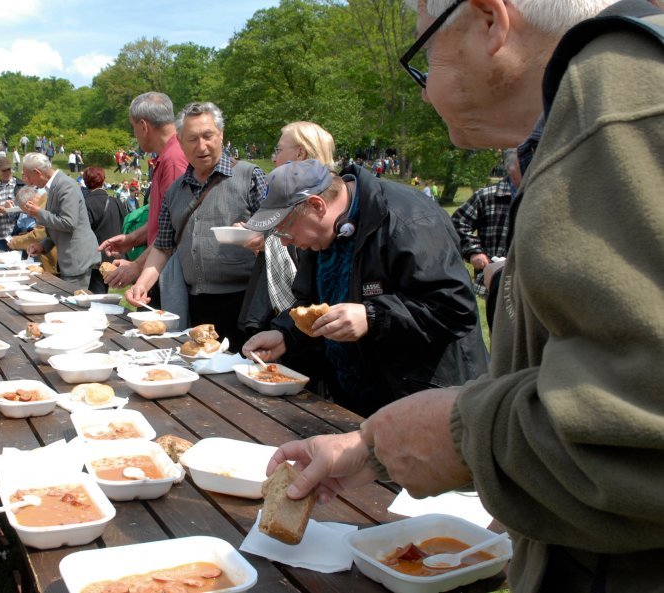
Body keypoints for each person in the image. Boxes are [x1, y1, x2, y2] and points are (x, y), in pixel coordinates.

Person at [269, 2, 664, 592]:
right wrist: (368, 448)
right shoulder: (598, 102)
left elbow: (628, 434)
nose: (425, 94)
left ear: (489, 21)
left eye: (423, 55)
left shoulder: (616, 105)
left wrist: (454, 434)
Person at [241, 159, 488, 416]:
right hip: (357, 402)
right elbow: (312, 303)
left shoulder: (408, 219)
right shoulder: (322, 233)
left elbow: (456, 307)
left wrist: (372, 316)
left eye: (285, 230)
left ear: (317, 205)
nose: (284, 242)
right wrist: (286, 335)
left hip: (423, 402)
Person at [125, 102, 267, 348]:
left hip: (245, 304)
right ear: (180, 141)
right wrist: (141, 284)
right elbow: (163, 247)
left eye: (208, 136)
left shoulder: (251, 176)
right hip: (193, 303)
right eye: (192, 139)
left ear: (221, 135)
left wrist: (260, 237)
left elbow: (278, 236)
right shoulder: (175, 190)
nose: (202, 146)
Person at [240, 121, 337, 335]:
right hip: (286, 324)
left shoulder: (323, 205)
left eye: (279, 149)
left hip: (305, 326)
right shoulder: (295, 192)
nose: (274, 157)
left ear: (300, 152)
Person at [99, 93, 191, 296]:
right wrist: (132, 238)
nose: (135, 134)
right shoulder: (168, 156)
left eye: (133, 127)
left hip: (168, 273)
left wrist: (137, 267)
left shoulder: (174, 160)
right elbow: (165, 220)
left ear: (143, 126)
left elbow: (175, 230)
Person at [19, 152, 101, 289]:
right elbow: (57, 224)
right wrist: (43, 245)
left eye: (28, 176)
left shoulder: (65, 185)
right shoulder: (55, 185)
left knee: (73, 305)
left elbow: (69, 223)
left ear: (37, 172)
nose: (28, 181)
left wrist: (39, 213)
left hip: (77, 260)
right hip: (71, 259)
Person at [451, 149, 520, 297]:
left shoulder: (541, 195)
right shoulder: (487, 196)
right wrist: (473, 251)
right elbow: (457, 223)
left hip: (530, 280)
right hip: (494, 280)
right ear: (509, 168)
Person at [82, 167, 128, 293]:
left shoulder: (86, 203)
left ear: (85, 182)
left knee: (95, 296)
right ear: (103, 180)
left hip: (95, 256)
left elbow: (84, 232)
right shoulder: (117, 201)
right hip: (114, 254)